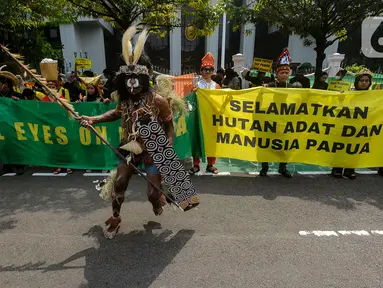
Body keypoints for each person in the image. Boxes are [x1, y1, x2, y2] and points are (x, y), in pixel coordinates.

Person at [79, 27, 177, 239]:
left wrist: (166, 148)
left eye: (135, 77)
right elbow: (115, 114)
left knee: (152, 195)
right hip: (130, 146)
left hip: (153, 147)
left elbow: (170, 127)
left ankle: (158, 199)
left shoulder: (157, 101)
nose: (132, 82)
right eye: (128, 78)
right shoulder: (124, 101)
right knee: (120, 181)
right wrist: (93, 119)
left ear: (144, 78)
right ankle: (115, 216)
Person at [331, 68, 373, 180]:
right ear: (357, 81)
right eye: (362, 80)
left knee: (356, 149)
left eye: (366, 81)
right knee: (342, 148)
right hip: (346, 125)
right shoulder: (349, 92)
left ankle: (350, 170)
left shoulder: (373, 96)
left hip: (361, 127)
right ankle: (337, 169)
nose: (364, 83)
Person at [261, 48, 293, 178]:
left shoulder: (293, 88)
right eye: (282, 73)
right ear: (277, 73)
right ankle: (264, 168)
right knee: (267, 145)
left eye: (286, 72)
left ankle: (283, 167)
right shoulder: (268, 87)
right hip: (270, 121)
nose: (284, 75)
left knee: (284, 146)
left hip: (285, 122)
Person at [190, 52, 219, 175]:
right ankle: (196, 165)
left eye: (210, 69)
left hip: (212, 119)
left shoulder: (217, 87)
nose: (207, 71)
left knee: (212, 141)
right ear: (201, 71)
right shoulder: (196, 86)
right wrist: (194, 93)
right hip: (199, 118)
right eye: (205, 69)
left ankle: (210, 165)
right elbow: (190, 103)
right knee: (197, 139)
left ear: (213, 71)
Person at [0, 68, 25, 176]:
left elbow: (25, 109)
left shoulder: (17, 96)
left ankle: (20, 165)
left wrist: (18, 103)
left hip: (15, 125)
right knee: (5, 146)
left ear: (6, 84)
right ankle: (7, 166)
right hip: (2, 126)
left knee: (16, 144)